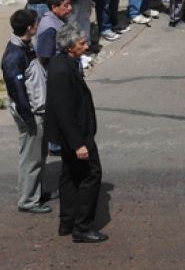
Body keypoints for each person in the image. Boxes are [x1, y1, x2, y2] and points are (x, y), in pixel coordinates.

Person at [45, 24, 107, 243]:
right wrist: (78, 143)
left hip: (74, 133)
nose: (86, 45)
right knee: (92, 175)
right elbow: (63, 111)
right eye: (82, 43)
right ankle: (82, 227)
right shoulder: (62, 70)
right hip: (77, 135)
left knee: (70, 175)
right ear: (70, 46)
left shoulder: (65, 63)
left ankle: (67, 222)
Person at [1, 9, 52, 213]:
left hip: (37, 110)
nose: (37, 26)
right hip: (30, 113)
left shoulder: (24, 47)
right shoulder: (14, 56)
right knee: (32, 158)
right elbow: (18, 92)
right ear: (30, 28)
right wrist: (29, 118)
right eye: (35, 23)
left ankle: (35, 192)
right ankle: (28, 200)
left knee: (38, 155)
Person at [35, 0, 72, 66]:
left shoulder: (60, 18)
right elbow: (45, 58)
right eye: (66, 5)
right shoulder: (50, 28)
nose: (70, 8)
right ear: (54, 7)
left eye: (70, 4)